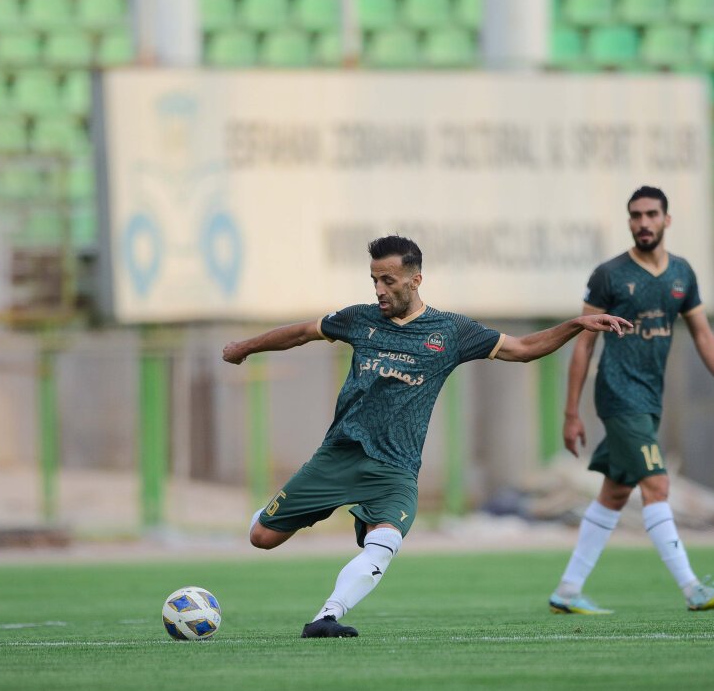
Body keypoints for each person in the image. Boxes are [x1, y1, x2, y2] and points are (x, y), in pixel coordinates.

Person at [223, 235, 634, 637]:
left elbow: (524, 348)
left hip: (396, 468)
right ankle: (280, 512)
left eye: (388, 280)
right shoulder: (358, 319)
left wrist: (576, 324)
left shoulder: (451, 331)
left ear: (415, 279)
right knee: (262, 538)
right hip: (340, 455)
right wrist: (245, 347)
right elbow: (301, 332)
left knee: (385, 540)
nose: (379, 290)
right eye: (374, 280)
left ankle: (327, 616)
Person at [549, 186, 714, 615]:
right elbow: (584, 344)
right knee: (657, 485)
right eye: (636, 215)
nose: (643, 222)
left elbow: (702, 335)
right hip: (619, 395)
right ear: (629, 221)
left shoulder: (682, 274)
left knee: (615, 493)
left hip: (649, 398)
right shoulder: (609, 275)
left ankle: (567, 589)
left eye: (651, 214)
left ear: (666, 220)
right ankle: (692, 588)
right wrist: (571, 413)